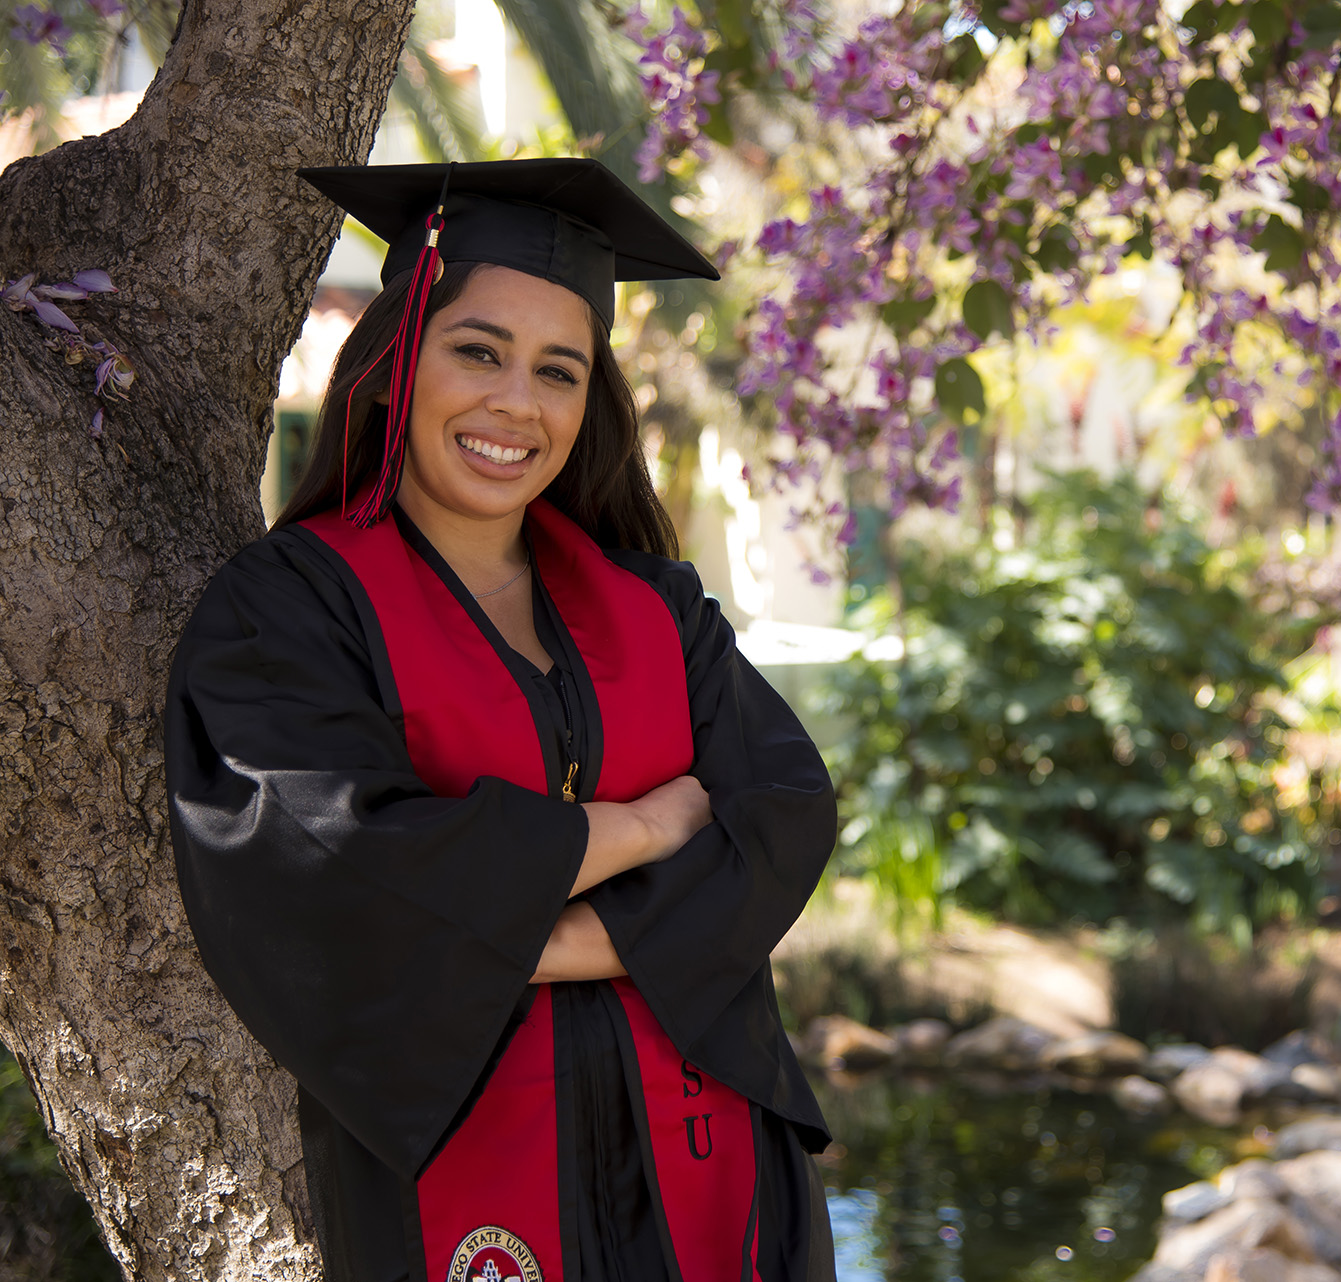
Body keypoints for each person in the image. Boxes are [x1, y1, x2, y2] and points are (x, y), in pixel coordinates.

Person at [165, 158, 839, 1282]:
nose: (517, 404)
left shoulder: (658, 610)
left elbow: (780, 818)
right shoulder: (287, 609)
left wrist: (540, 935)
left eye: (559, 371)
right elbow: (332, 878)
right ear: (398, 359)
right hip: (455, 1194)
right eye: (478, 350)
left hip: (718, 1172)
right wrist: (635, 831)